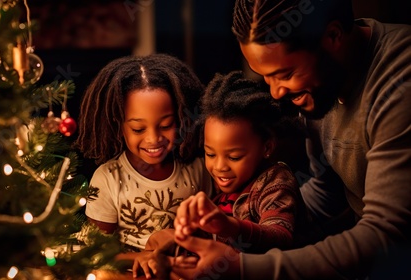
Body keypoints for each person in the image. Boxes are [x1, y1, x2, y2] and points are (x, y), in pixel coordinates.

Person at [168, 0, 411, 279]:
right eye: (266, 78)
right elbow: (324, 196)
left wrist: (241, 267)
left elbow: (386, 234)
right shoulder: (322, 83)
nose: (274, 93)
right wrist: (228, 226)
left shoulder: (400, 80)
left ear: (332, 37)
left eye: (284, 74)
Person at [132, 71, 309, 279]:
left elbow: (280, 236)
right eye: (210, 154)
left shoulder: (276, 181)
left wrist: (228, 227)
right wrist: (160, 253)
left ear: (267, 146)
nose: (219, 167)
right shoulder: (221, 192)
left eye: (234, 157)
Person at [73, 53, 213, 261]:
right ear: (119, 126)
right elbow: (96, 250)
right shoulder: (108, 179)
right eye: (138, 129)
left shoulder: (197, 168)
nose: (153, 139)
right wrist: (138, 258)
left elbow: (211, 230)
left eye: (166, 126)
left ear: (182, 118)